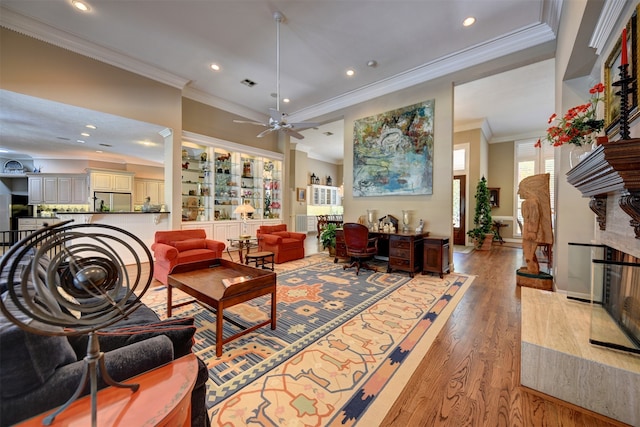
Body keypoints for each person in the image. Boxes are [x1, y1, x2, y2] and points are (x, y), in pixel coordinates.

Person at [518, 174, 553, 275]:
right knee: (526, 249)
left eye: (520, 189)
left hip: (531, 230)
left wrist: (532, 231)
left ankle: (533, 270)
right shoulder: (526, 202)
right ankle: (531, 268)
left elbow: (534, 218)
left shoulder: (532, 202)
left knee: (529, 252)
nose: (518, 192)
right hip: (527, 229)